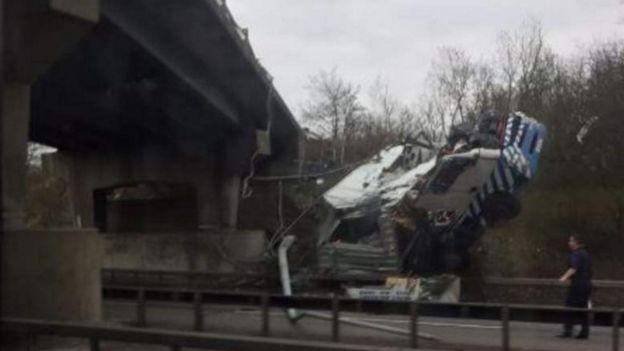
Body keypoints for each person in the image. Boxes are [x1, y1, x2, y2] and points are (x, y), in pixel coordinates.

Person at [557, 234, 592, 339]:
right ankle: (584, 332)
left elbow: (573, 268)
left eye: (571, 241)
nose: (569, 243)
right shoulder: (586, 253)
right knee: (583, 308)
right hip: (586, 284)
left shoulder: (575, 254)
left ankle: (568, 330)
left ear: (576, 242)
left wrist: (563, 278)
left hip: (577, 285)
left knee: (569, 307)